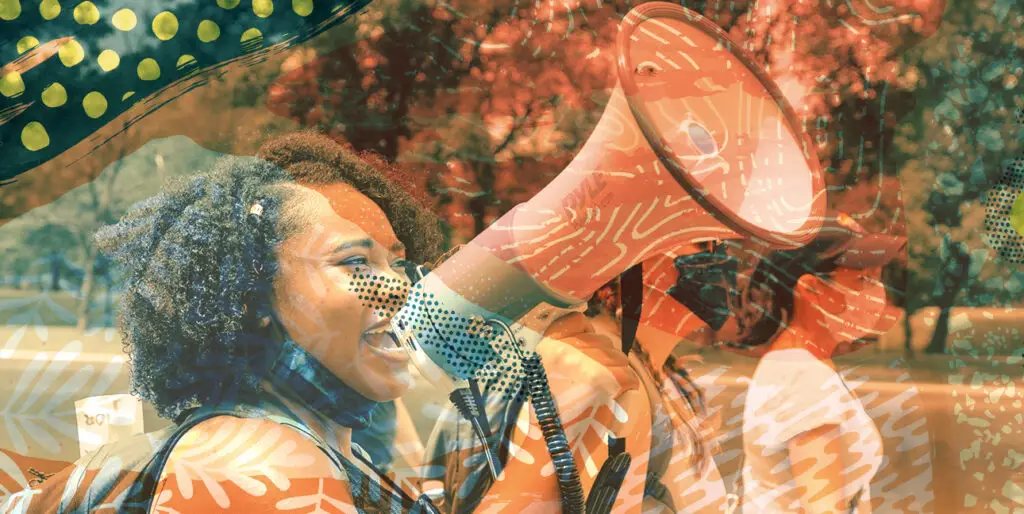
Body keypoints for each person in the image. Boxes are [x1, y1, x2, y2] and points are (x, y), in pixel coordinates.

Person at [0, 131, 646, 513]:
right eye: (353, 261)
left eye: (399, 261)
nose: (402, 289)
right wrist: (546, 420)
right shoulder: (250, 460)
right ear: (248, 295)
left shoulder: (338, 447)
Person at [723, 214, 906, 514]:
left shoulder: (801, 364)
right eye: (863, 280)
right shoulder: (802, 378)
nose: (876, 293)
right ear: (811, 289)